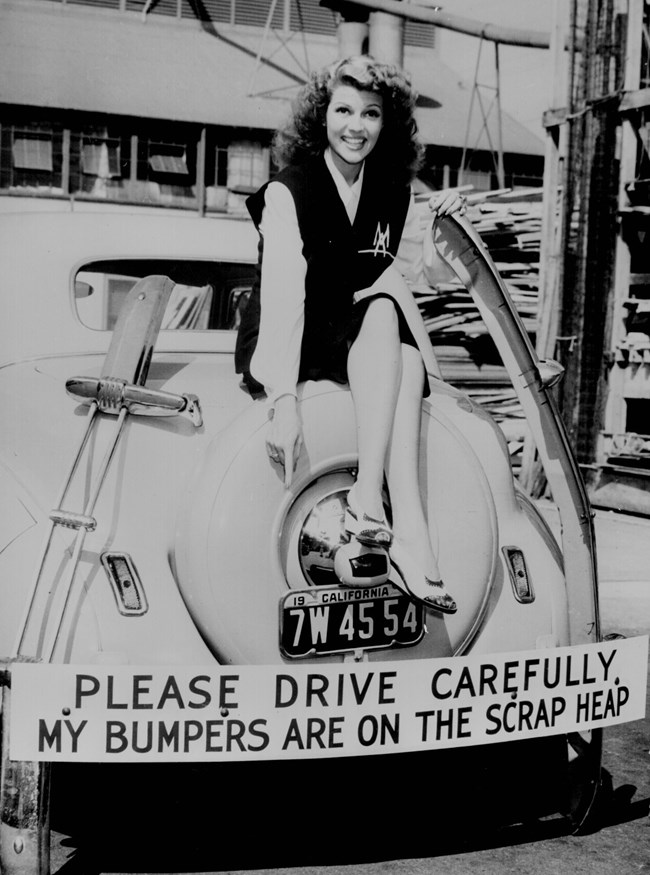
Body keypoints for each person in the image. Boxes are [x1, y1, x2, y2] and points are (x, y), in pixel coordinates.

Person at [235, 55, 466, 613]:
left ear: (388, 125)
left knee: (405, 354)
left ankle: (401, 528)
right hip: (287, 336)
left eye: (370, 113)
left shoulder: (392, 192)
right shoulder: (288, 192)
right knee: (386, 313)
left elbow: (425, 277)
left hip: (348, 334)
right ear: (322, 116)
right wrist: (283, 401)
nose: (355, 126)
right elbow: (286, 297)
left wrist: (442, 230)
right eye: (343, 110)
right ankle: (380, 508)